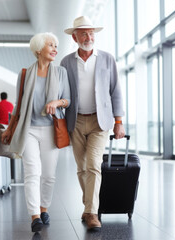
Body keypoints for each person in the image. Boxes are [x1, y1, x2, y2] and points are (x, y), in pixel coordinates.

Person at [1, 32, 70, 233]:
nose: (55, 49)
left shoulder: (61, 73)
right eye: (51, 45)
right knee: (32, 172)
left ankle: (44, 208)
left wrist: (57, 102)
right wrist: (9, 127)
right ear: (39, 49)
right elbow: (18, 104)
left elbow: (68, 100)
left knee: (48, 175)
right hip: (28, 129)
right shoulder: (24, 74)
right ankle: (35, 216)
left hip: (51, 128)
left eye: (56, 45)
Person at [61, 16, 125, 231]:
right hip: (75, 120)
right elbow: (62, 92)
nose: (89, 37)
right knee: (81, 168)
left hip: (101, 120)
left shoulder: (107, 59)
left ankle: (92, 213)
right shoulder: (66, 62)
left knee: (93, 165)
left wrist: (119, 121)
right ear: (75, 36)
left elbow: (116, 91)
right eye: (84, 33)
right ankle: (89, 206)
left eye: (91, 33)